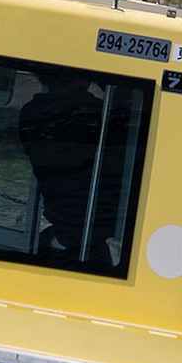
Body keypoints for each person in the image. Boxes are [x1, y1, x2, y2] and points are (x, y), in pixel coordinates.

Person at [18, 68, 116, 266]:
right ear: (83, 79)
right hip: (100, 228)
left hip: (64, 225)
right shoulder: (100, 115)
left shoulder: (30, 114)